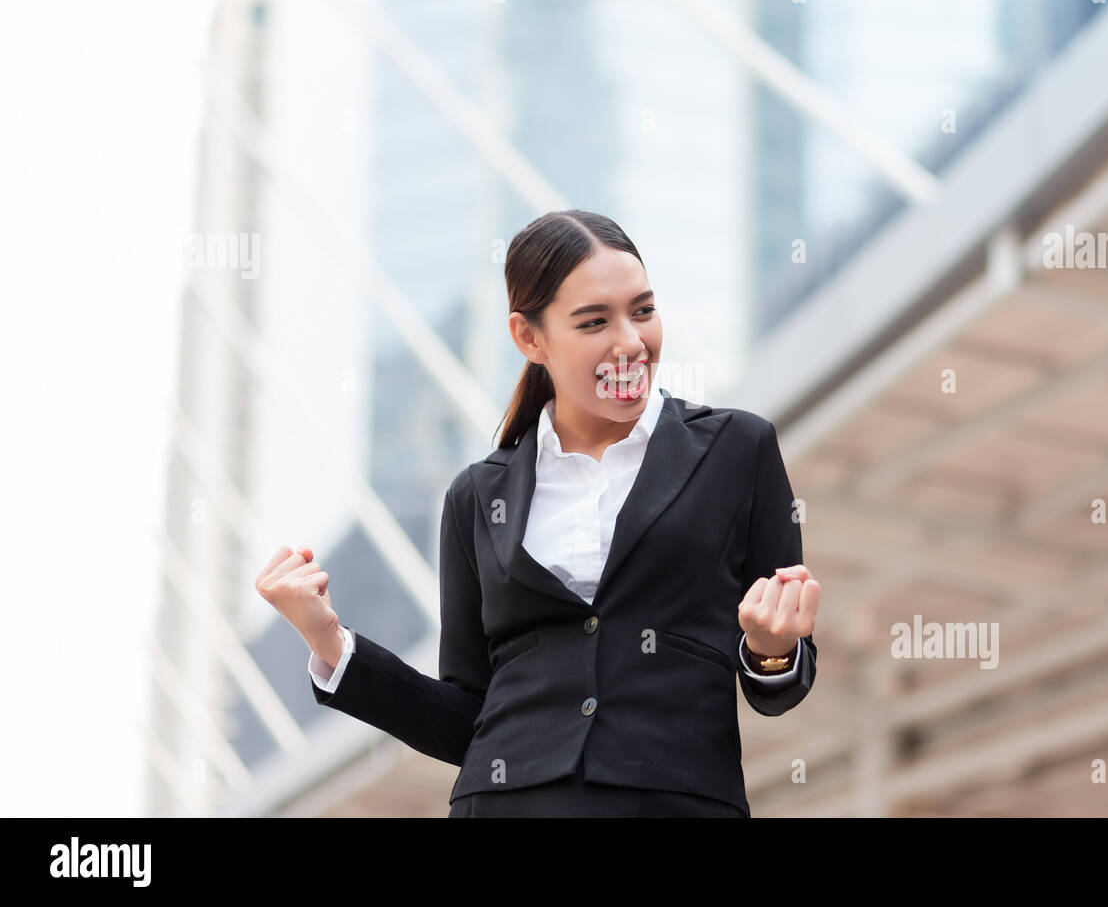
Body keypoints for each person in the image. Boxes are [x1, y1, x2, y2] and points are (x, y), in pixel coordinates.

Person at [256, 209, 822, 817]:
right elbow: (466, 718)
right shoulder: (476, 497)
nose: (631, 341)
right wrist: (331, 643)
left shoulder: (738, 450)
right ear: (530, 338)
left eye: (643, 310)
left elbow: (781, 681)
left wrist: (770, 648)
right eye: (594, 321)